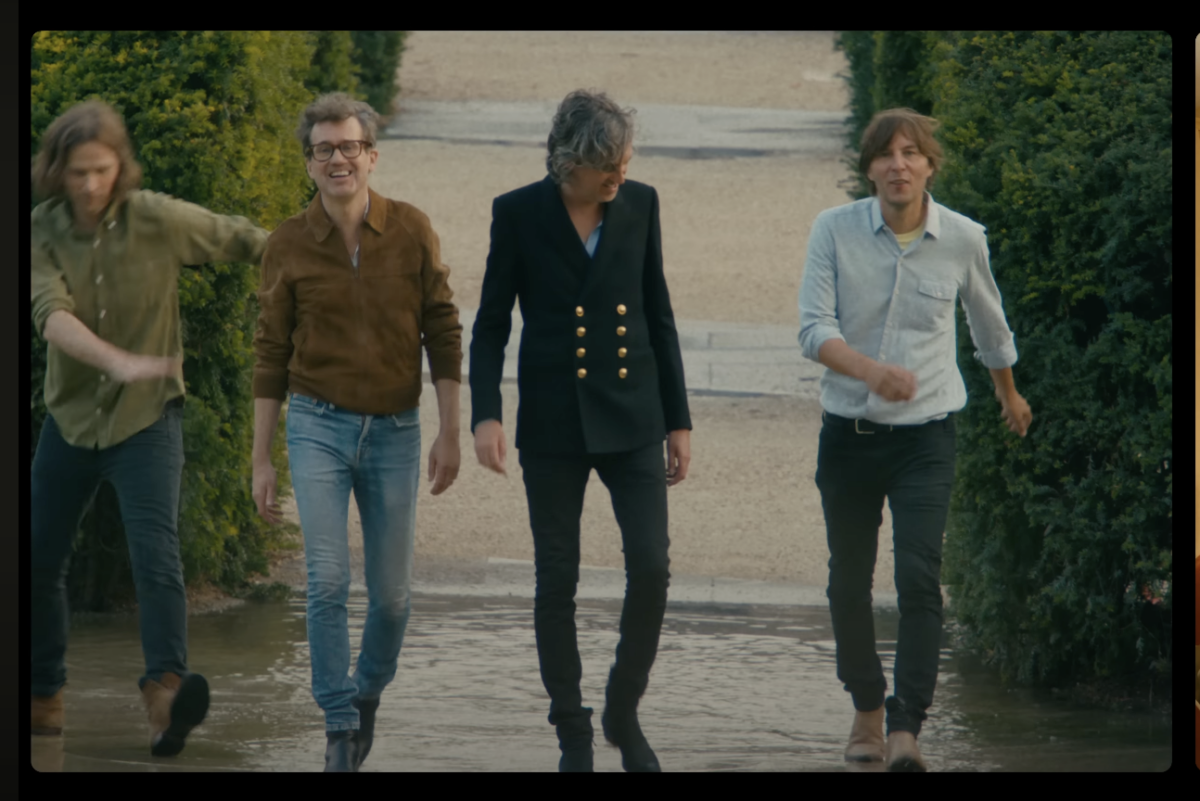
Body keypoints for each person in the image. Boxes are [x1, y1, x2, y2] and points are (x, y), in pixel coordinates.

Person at [30, 99, 270, 756]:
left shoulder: (157, 218)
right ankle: (43, 696)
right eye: (77, 172)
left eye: (101, 169)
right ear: (57, 170)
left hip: (147, 418)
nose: (90, 184)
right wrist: (116, 359)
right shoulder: (41, 229)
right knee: (38, 559)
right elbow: (50, 313)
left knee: (157, 557)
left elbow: (247, 239)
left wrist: (328, 262)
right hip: (71, 419)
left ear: (121, 166)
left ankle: (165, 694)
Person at [797, 107, 1033, 772]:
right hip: (848, 434)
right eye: (885, 154)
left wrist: (1008, 392)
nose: (898, 165)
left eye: (911, 153)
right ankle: (866, 709)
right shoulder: (833, 230)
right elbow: (813, 330)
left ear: (931, 166)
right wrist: (870, 371)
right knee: (847, 582)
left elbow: (989, 325)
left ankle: (906, 727)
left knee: (919, 576)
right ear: (869, 168)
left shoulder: (962, 238)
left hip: (926, 439)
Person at [470, 89, 692, 772]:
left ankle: (624, 707)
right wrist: (486, 412)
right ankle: (573, 730)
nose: (621, 176)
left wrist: (678, 419)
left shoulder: (641, 204)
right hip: (553, 421)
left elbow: (658, 312)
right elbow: (491, 323)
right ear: (572, 162)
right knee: (556, 577)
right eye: (609, 167)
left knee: (651, 566)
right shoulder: (517, 212)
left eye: (626, 162)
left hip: (634, 413)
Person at [251, 92, 463, 772]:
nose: (337, 159)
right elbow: (269, 352)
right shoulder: (287, 243)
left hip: (397, 429)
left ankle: (366, 690)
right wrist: (261, 459)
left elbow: (443, 330)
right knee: (327, 581)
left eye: (349, 147)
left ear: (372, 156)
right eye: (324, 150)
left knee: (394, 598)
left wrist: (450, 430)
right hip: (317, 424)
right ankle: (339, 723)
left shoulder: (411, 229)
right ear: (309, 163)